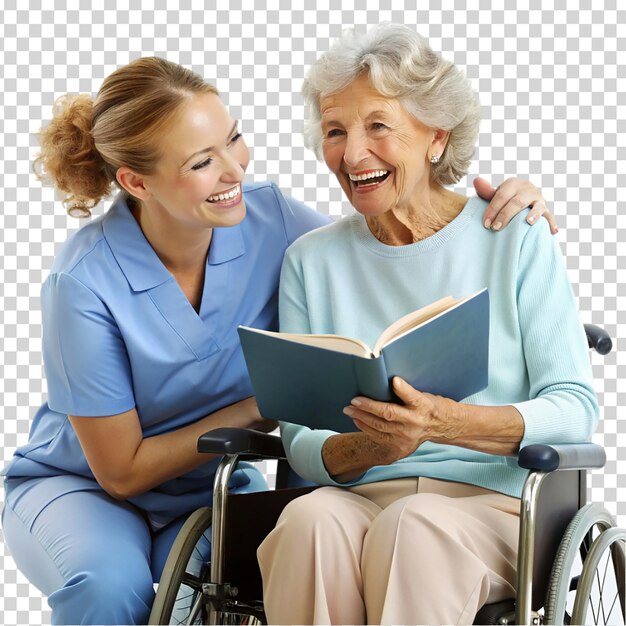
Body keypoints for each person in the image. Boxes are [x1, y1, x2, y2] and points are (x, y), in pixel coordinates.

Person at [0, 56, 551, 626]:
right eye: (201, 161)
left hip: (216, 479)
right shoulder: (83, 283)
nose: (233, 170)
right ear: (137, 182)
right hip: (89, 488)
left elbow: (383, 249)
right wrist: (267, 403)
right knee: (111, 590)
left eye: (233, 139)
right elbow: (121, 469)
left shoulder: (271, 220)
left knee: (243, 575)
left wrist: (500, 210)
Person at [256, 23, 599, 625]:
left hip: (493, 508)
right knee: (306, 521)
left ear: (436, 138)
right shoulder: (310, 261)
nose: (352, 153)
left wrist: (441, 423)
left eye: (378, 126)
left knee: (411, 529)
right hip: (360, 498)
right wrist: (373, 443)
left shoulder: (512, 236)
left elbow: (573, 407)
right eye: (336, 131)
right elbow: (301, 443)